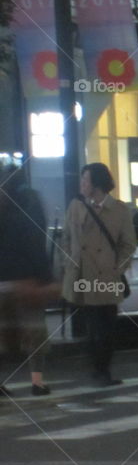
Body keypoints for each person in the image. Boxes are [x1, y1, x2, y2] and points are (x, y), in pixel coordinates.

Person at [62, 163, 136, 387]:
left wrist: (116, 269)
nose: (82, 185)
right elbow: (66, 238)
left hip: (107, 277)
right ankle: (99, 370)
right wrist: (70, 263)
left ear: (97, 184)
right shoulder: (76, 206)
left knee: (107, 327)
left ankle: (102, 369)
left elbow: (129, 244)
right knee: (93, 325)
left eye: (86, 180)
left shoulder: (119, 210)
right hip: (82, 275)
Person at [0, 163, 57, 397]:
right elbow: (36, 242)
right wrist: (45, 277)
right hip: (27, 281)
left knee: (1, 334)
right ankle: (37, 382)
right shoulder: (30, 203)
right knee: (34, 333)